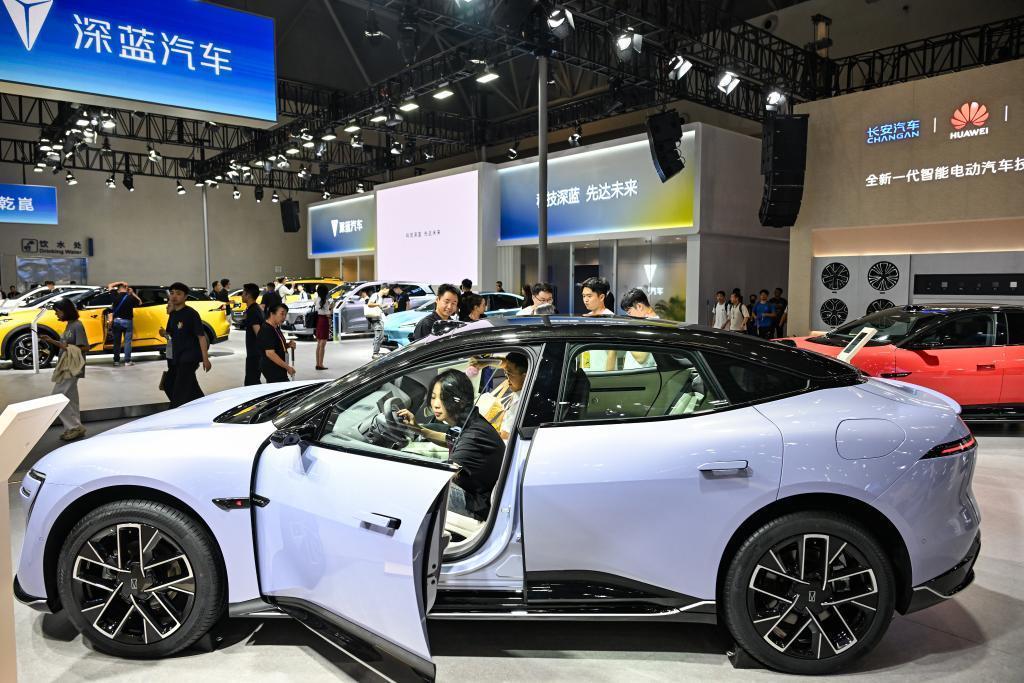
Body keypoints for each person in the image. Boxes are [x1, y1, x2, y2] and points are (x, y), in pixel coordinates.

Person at [399, 369, 504, 521]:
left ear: (459, 401)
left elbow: (443, 476)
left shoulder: (473, 437)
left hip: (476, 505)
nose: (435, 404)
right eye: (433, 397)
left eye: (443, 398)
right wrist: (418, 429)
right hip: (476, 490)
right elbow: (449, 439)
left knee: (415, 483)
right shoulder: (469, 420)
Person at [42, 298, 89, 441]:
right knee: (70, 398)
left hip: (71, 366)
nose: (56, 314)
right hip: (67, 365)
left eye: (58, 312)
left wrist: (63, 346)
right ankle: (75, 427)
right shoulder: (70, 325)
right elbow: (66, 344)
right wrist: (51, 341)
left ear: (65, 311)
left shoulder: (77, 325)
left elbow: (84, 347)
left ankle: (74, 427)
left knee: (57, 397)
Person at [158, 282, 211, 408]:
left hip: (189, 357)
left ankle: (175, 411)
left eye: (178, 294)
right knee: (172, 384)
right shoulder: (173, 314)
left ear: (185, 297)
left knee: (179, 390)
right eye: (172, 293)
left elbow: (201, 337)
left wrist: (205, 358)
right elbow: (171, 335)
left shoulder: (191, 314)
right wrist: (164, 333)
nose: (174, 296)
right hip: (177, 356)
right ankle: (202, 407)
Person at [259, 302, 296, 383]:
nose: (284, 317)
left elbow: (276, 346)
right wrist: (288, 367)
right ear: (272, 313)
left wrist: (288, 345)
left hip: (279, 366)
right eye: (282, 314)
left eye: (285, 315)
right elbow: (270, 353)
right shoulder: (267, 329)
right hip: (272, 367)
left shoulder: (275, 327)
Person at [108, 282, 141, 366]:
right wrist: (132, 293)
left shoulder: (115, 295)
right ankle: (127, 361)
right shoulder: (130, 297)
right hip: (128, 322)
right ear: (126, 288)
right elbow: (140, 302)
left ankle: (116, 361)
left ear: (118, 289)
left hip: (117, 321)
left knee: (117, 343)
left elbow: (110, 285)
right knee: (127, 342)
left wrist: (121, 282)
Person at [241, 283, 265, 385]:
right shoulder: (256, 308)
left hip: (255, 353)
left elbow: (258, 333)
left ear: (248, 295)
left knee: (251, 383)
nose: (241, 295)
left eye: (243, 293)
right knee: (253, 381)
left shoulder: (252, 311)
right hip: (256, 353)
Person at [366, 284, 392, 358]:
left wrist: (386, 306)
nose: (388, 292)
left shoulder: (380, 297)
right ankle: (375, 353)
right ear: (384, 289)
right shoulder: (375, 295)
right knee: (378, 335)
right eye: (388, 290)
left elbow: (379, 308)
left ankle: (376, 352)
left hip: (379, 318)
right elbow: (369, 304)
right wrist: (379, 304)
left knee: (380, 336)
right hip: (375, 319)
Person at [313, 283, 331, 370]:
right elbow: (328, 314)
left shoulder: (317, 299)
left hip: (318, 320)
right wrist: (331, 308)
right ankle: (321, 364)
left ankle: (317, 364)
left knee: (319, 343)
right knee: (323, 344)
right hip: (324, 321)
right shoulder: (325, 301)